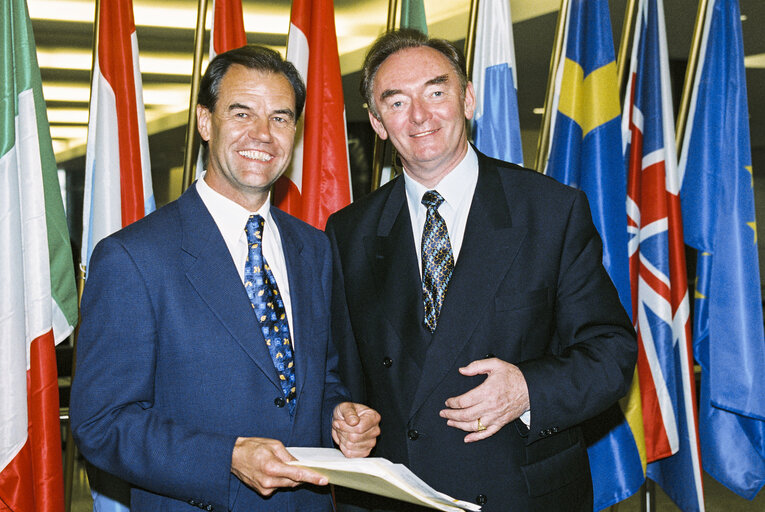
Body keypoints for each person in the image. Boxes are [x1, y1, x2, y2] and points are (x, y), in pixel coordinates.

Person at [325, 29, 637, 511]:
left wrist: (527, 389)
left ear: (468, 98)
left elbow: (611, 353)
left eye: (436, 92)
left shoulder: (550, 210)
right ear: (377, 123)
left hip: (520, 493)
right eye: (397, 102)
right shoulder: (349, 232)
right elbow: (343, 371)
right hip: (399, 498)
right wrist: (342, 413)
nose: (421, 116)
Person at [70, 45, 381, 512]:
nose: (263, 134)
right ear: (204, 121)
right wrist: (227, 457)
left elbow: (317, 377)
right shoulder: (132, 257)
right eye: (242, 113)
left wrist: (339, 413)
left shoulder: (313, 248)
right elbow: (102, 422)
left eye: (280, 118)